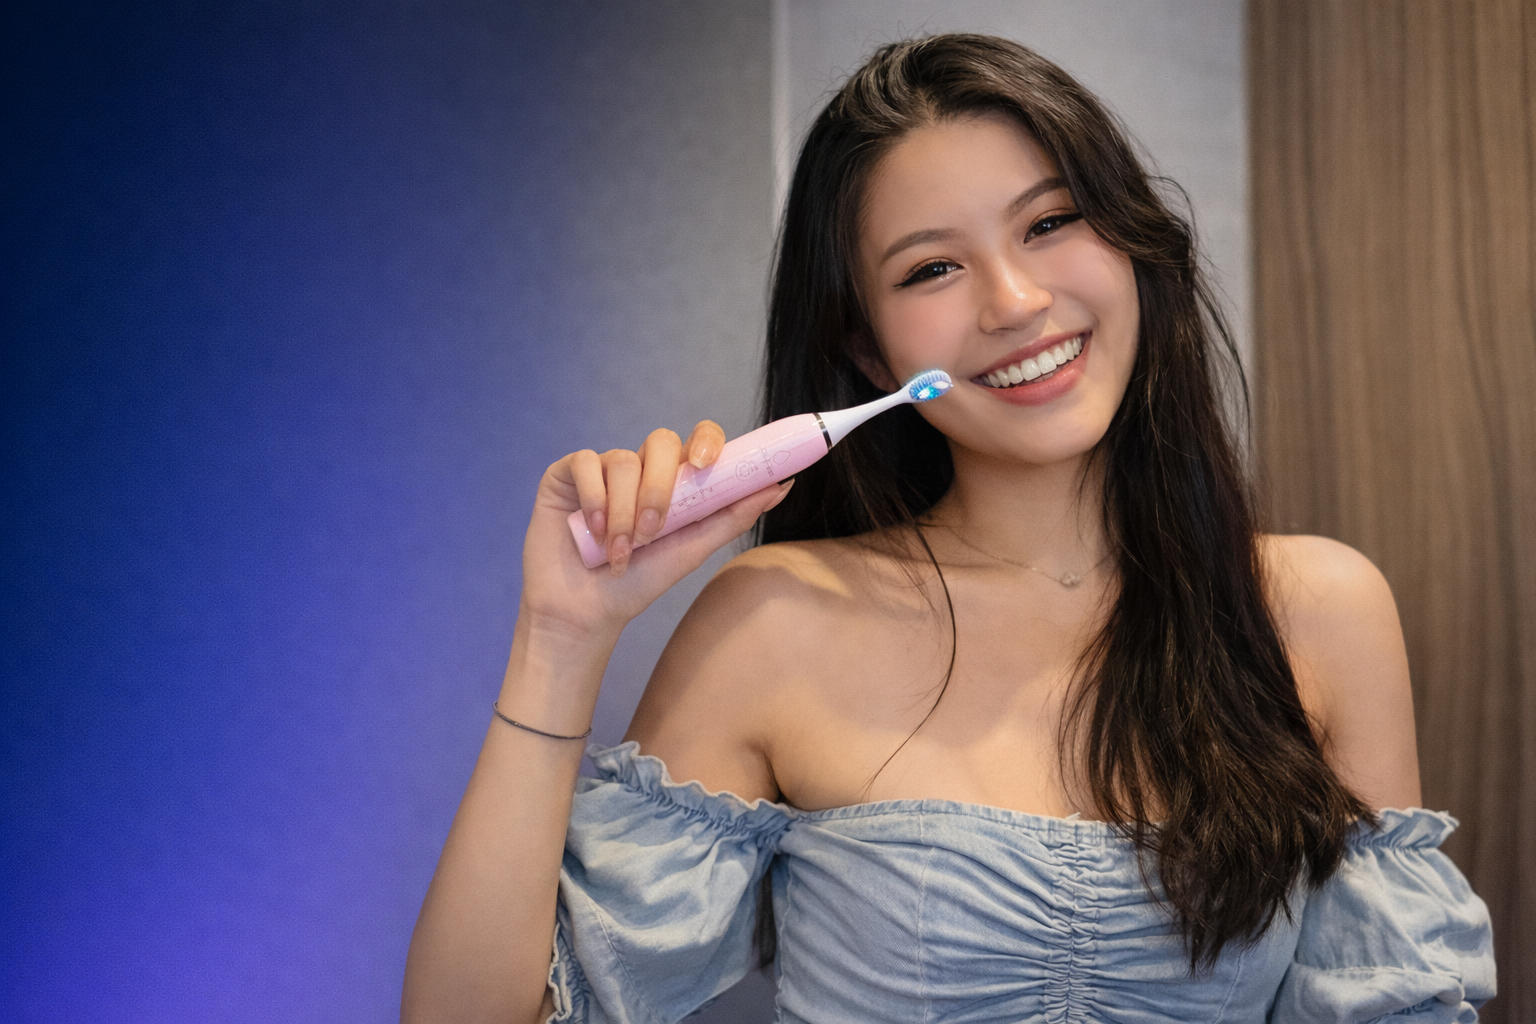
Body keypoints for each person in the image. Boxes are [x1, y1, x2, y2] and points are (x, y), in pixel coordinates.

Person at [401, 34, 1495, 1024]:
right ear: (873, 356)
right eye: (932, 268)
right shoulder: (778, 622)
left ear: (1130, 247)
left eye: (1051, 221)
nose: (1014, 299)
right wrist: (560, 641)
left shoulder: (1320, 611)